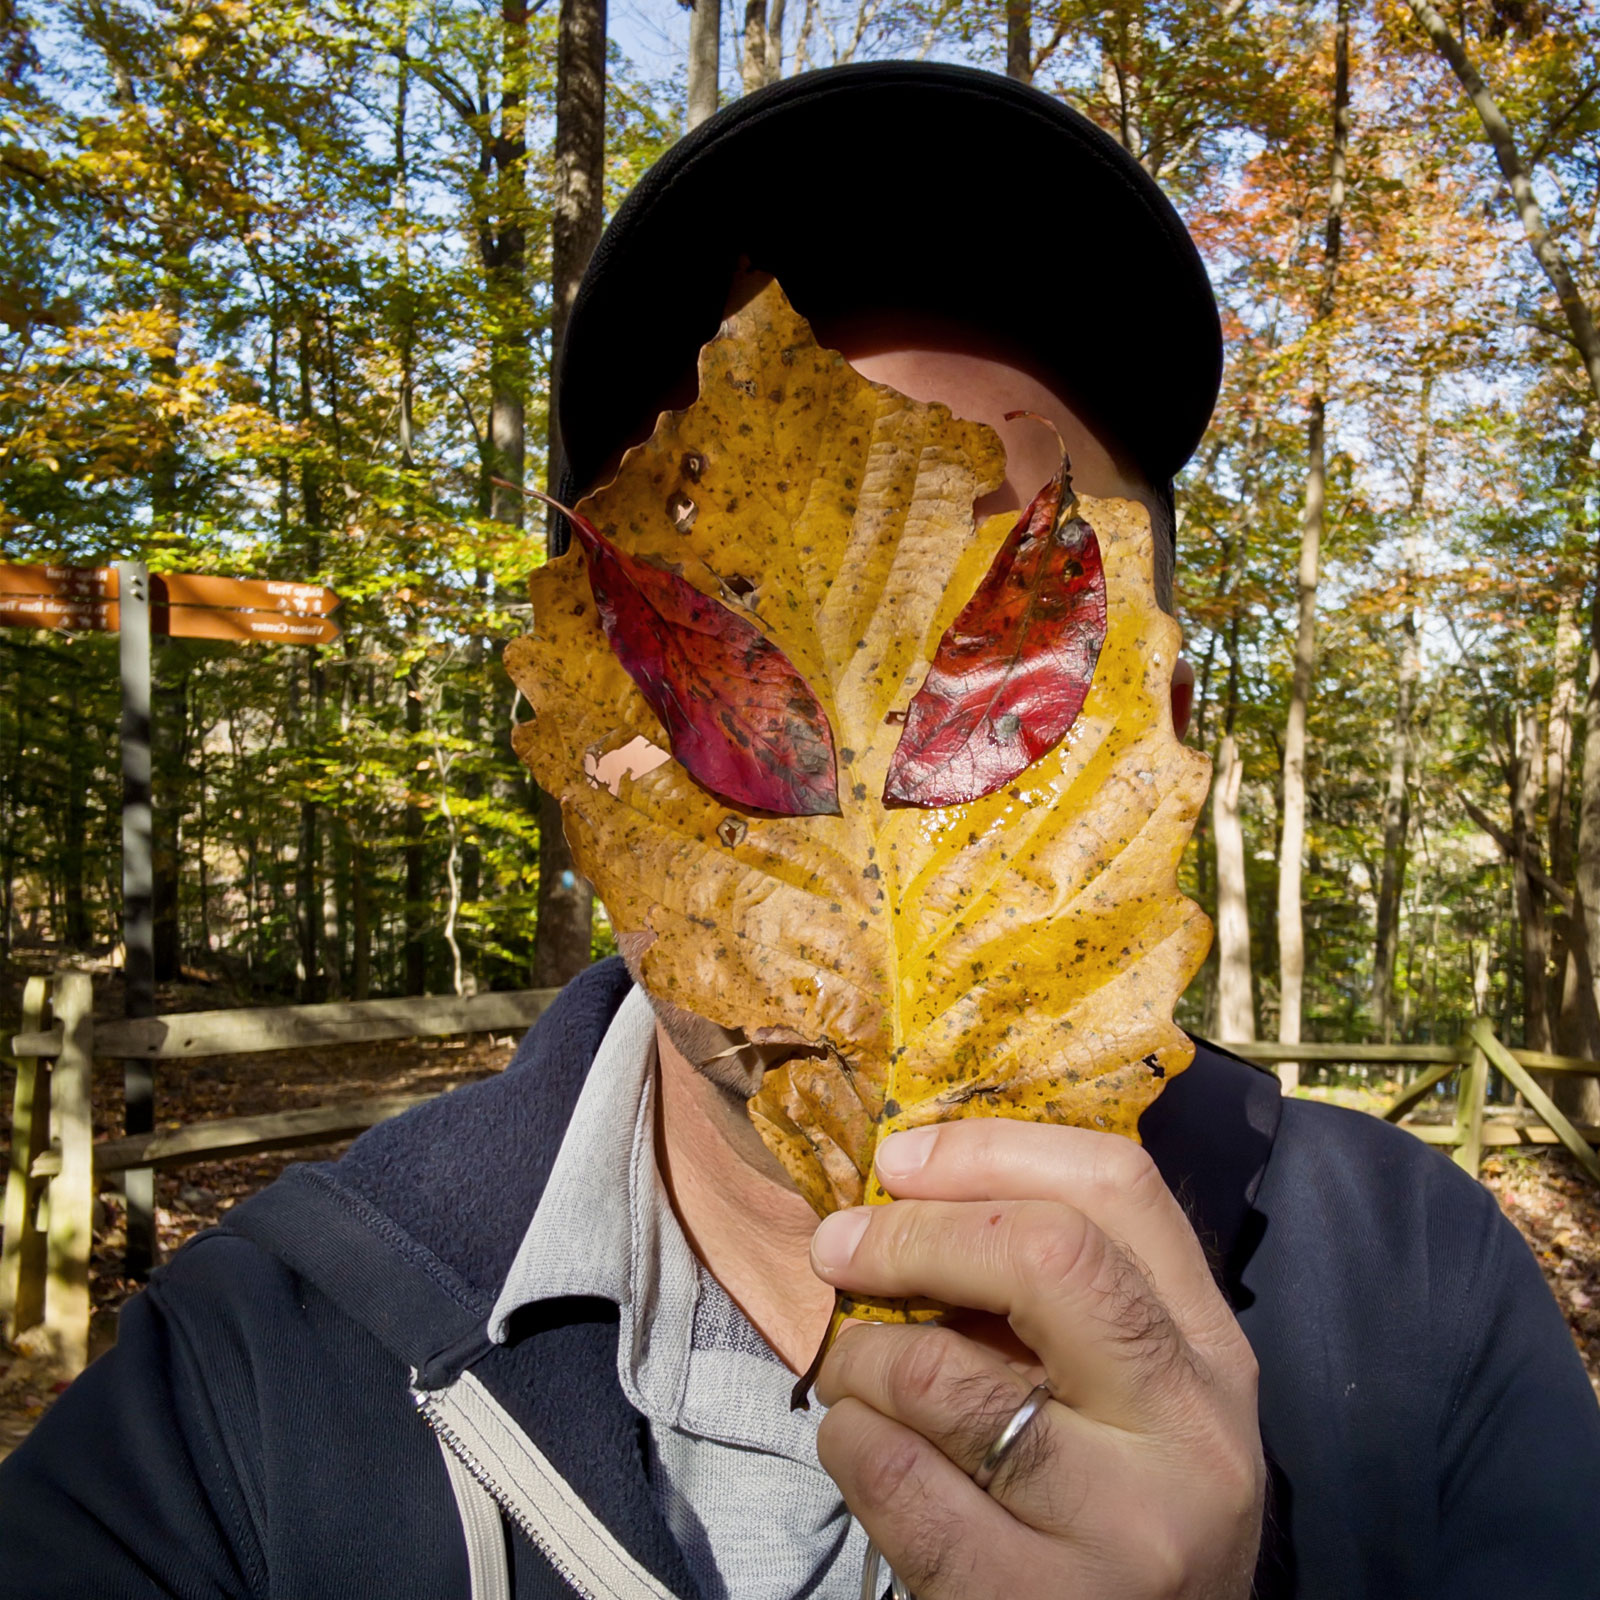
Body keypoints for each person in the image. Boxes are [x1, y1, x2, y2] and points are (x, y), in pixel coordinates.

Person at [2, 62, 1597, 1600]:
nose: (875, 725)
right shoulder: (255, 1379)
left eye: (1004, 608)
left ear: (1166, 717)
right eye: (740, 612)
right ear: (591, 738)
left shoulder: (1423, 1311)